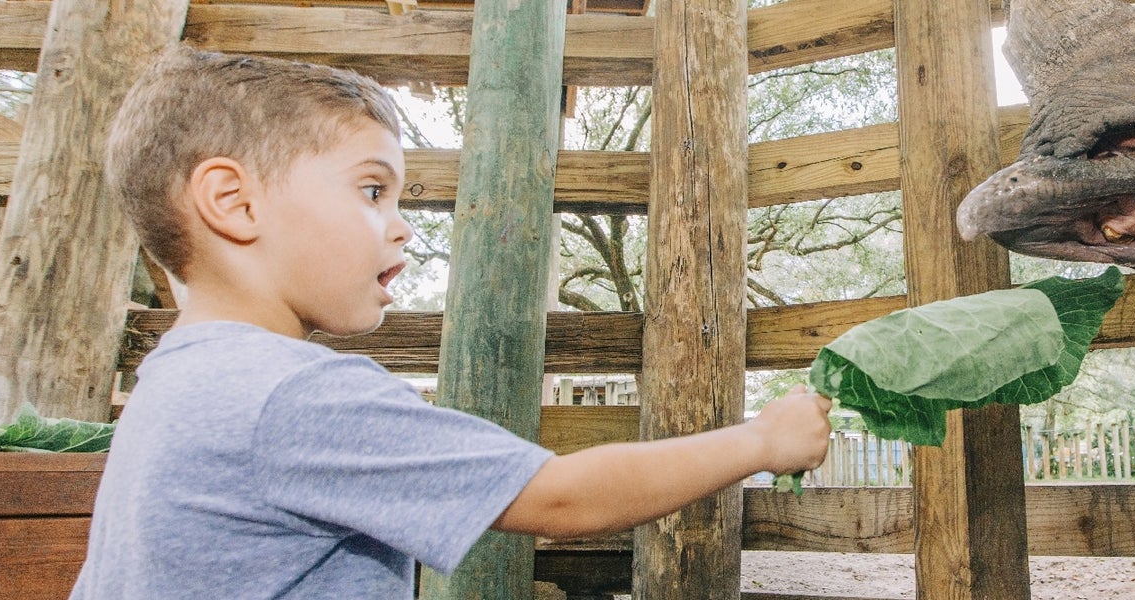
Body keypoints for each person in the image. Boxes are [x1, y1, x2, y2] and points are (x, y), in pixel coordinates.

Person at [71, 46, 833, 599]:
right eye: (373, 191)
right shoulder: (297, 396)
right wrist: (761, 439)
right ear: (234, 203)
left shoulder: (176, 380)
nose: (402, 228)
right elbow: (563, 497)